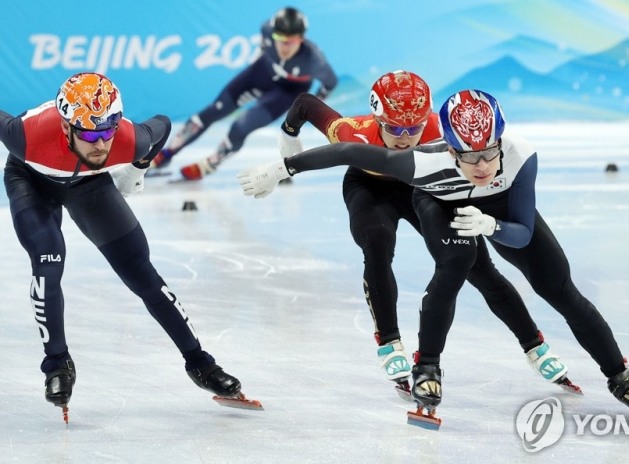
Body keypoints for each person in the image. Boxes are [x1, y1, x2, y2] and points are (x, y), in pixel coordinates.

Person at [237, 89, 629, 419]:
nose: (481, 166)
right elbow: (347, 151)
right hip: (441, 203)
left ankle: (619, 374)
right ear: (448, 147)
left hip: (499, 213)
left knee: (559, 288)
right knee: (456, 267)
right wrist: (280, 168)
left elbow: (522, 232)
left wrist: (492, 225)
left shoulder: (519, 155)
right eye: (467, 157)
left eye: (488, 154)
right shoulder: (421, 163)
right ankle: (428, 367)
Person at [273, 71, 580, 402]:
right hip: (370, 188)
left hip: (426, 189)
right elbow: (304, 103)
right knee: (376, 244)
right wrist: (288, 136)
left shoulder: (443, 129)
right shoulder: (353, 132)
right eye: (394, 129)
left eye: (414, 128)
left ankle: (534, 345)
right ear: (377, 119)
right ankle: (389, 343)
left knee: (478, 266)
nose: (405, 138)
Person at [1, 72, 258, 423]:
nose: (101, 144)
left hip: (88, 184)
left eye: (108, 130)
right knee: (48, 265)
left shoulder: (128, 139)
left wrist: (138, 167)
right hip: (29, 178)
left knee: (142, 274)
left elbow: (163, 125)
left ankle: (200, 363)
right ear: (65, 128)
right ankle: (57, 364)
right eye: (91, 134)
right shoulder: (24, 137)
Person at [149, 6, 338, 181]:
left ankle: (212, 162)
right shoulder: (266, 31)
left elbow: (330, 83)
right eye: (279, 39)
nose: (283, 47)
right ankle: (166, 154)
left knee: (240, 127)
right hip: (262, 73)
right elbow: (264, 46)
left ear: (301, 39)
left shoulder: (314, 60)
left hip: (287, 91)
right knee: (213, 111)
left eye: (290, 41)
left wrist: (307, 110)